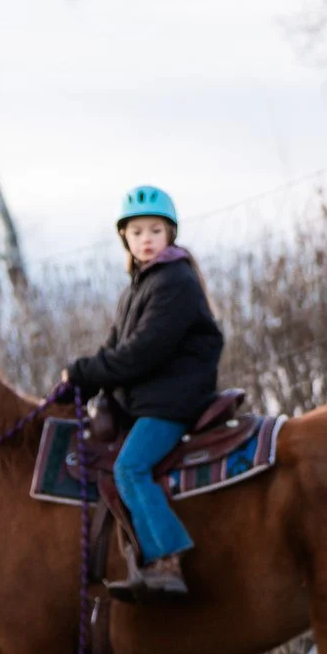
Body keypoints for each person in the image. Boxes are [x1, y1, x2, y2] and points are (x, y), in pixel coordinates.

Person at [62, 185, 223, 599]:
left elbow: (141, 353)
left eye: (155, 229)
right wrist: (77, 383)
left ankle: (167, 558)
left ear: (170, 234)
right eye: (136, 232)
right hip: (148, 402)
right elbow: (114, 350)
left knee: (129, 468)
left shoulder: (174, 282)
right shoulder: (136, 288)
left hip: (172, 403)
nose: (146, 238)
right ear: (125, 239)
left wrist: (84, 372)